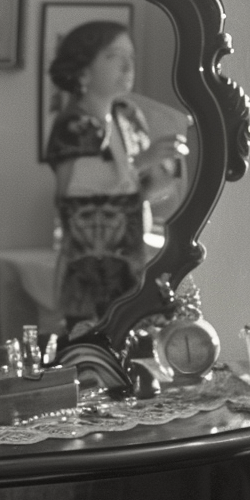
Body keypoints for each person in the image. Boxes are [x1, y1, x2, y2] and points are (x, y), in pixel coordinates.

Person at [43, 20, 186, 331]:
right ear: (83, 70)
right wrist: (142, 161)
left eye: (130, 57)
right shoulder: (72, 125)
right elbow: (73, 187)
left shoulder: (130, 118)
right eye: (113, 56)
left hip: (131, 263)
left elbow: (135, 192)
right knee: (90, 349)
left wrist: (163, 175)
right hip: (87, 268)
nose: (127, 65)